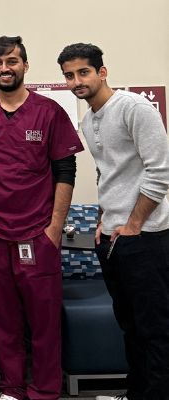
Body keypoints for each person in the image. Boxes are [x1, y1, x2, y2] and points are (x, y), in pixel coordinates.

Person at [0, 36, 82, 400]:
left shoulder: (49, 111)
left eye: (12, 60)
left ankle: (44, 389)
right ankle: (11, 386)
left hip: (37, 234)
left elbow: (65, 169)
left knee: (43, 321)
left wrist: (54, 229)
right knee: (1, 318)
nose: (4, 68)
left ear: (25, 65)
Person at [58, 43, 169, 400]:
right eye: (69, 75)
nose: (77, 81)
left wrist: (135, 224)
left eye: (83, 72)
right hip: (113, 238)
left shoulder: (134, 108)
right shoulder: (89, 119)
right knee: (130, 328)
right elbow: (111, 175)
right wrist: (104, 220)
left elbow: (161, 171)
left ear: (102, 72)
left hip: (148, 236)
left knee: (155, 330)